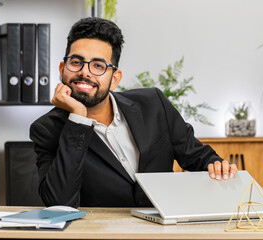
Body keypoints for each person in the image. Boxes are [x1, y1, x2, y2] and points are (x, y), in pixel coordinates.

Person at [29, 17, 237, 208]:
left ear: (115, 79)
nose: (85, 72)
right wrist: (78, 118)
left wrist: (216, 166)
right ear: (62, 69)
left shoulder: (153, 104)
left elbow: (198, 157)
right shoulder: (47, 129)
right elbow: (59, 203)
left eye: (98, 65)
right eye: (76, 62)